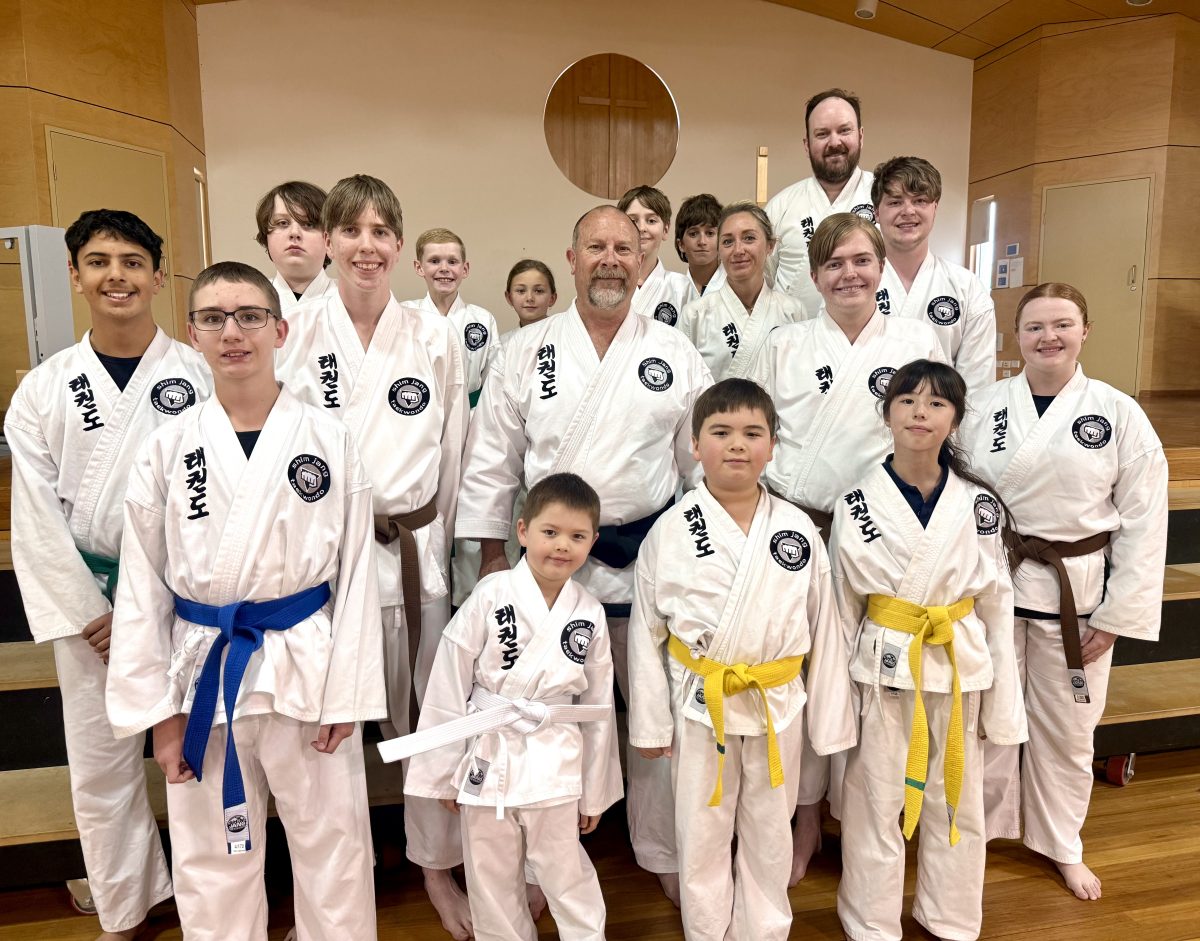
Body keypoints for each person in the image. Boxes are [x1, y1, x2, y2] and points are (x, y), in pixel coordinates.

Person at [104, 261, 384, 941]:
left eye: (250, 316)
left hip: (308, 671)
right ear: (192, 334)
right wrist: (160, 717)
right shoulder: (166, 449)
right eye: (213, 318)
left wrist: (347, 695)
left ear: (280, 328)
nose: (234, 332)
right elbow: (141, 589)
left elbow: (355, 579)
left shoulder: (330, 439)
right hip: (202, 675)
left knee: (335, 850)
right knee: (212, 856)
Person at [456, 205, 713, 904]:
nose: (609, 258)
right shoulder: (526, 349)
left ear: (642, 260)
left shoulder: (674, 351)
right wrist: (490, 558)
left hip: (646, 557)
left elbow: (698, 466)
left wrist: (697, 560)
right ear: (570, 258)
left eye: (622, 248)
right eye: (595, 246)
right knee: (538, 711)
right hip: (548, 563)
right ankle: (541, 863)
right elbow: (491, 463)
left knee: (652, 714)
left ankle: (660, 845)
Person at [274, 175, 472, 937]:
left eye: (380, 231)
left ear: (399, 245)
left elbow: (454, 453)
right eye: (349, 230)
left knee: (431, 714)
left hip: (413, 550)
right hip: (321, 564)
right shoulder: (293, 331)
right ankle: (332, 897)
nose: (365, 245)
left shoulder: (432, 335)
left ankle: (435, 865)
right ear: (326, 240)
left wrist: (443, 541)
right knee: (327, 732)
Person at [5, 209, 210, 941]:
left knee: (199, 752)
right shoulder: (44, 390)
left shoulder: (199, 372)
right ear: (75, 275)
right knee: (100, 762)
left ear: (159, 276)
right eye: (98, 261)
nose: (115, 275)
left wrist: (150, 598)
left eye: (131, 261)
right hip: (88, 606)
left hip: (186, 594)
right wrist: (98, 605)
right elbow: (34, 512)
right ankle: (125, 903)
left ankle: (207, 893)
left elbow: (217, 498)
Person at [749, 211, 944, 882]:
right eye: (834, 263)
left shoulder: (919, 339)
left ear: (881, 265)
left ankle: (862, 811)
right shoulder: (785, 344)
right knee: (801, 673)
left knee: (871, 679)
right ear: (815, 275)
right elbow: (755, 430)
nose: (849, 273)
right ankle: (804, 817)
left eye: (861, 259)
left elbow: (939, 433)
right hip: (800, 527)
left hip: (883, 532)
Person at [961, 283, 1168, 901]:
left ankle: (1062, 844)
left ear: (1086, 331)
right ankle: (983, 831)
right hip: (995, 584)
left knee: (1070, 727)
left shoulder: (1119, 413)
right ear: (1016, 337)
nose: (1048, 337)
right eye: (1034, 327)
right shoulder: (985, 407)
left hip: (1075, 594)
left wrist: (1119, 612)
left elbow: (1144, 519)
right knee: (985, 719)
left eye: (1062, 325)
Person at [628, 378, 855, 940]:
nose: (737, 445)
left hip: (778, 702)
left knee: (770, 828)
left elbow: (825, 627)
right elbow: (646, 633)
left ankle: (764, 928)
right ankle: (706, 929)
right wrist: (652, 721)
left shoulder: (797, 529)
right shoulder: (670, 531)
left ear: (773, 446)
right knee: (702, 829)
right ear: (695, 446)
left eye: (753, 433)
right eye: (721, 432)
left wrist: (829, 720)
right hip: (703, 705)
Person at [833, 359, 1026, 941]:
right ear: (887, 414)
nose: (921, 412)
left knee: (957, 800)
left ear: (957, 420)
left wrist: (1003, 703)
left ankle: (951, 916)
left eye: (937, 403)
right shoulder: (855, 502)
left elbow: (997, 600)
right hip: (882, 666)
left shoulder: (977, 503)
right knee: (874, 801)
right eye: (908, 401)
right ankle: (870, 921)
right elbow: (841, 609)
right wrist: (834, 704)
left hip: (957, 661)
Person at [385, 473, 622, 941]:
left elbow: (597, 708)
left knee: (564, 869)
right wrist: (443, 772)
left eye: (576, 536)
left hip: (556, 758)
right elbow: (448, 686)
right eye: (549, 532)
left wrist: (595, 789)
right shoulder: (489, 596)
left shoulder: (588, 611)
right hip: (487, 756)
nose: (561, 546)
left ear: (592, 542)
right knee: (489, 875)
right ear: (522, 532)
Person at [872, 156, 996, 396]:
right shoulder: (855, 284)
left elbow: (978, 385)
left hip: (938, 428)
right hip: (865, 425)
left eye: (920, 200)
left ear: (935, 208)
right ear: (877, 212)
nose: (908, 211)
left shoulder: (966, 288)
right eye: (895, 202)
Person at [766, 88, 875, 314]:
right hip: (795, 341)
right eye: (822, 134)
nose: (835, 142)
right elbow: (759, 283)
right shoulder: (780, 207)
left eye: (844, 130)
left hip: (870, 342)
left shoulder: (885, 198)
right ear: (807, 145)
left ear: (861, 136)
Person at [677, 202, 806, 380]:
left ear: (770, 245)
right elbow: (685, 385)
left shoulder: (793, 311)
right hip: (715, 408)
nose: (738, 250)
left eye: (749, 238)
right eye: (728, 241)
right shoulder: (694, 315)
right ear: (719, 250)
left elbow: (800, 380)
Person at [405, 227, 499, 409]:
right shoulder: (404, 315)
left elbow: (495, 381)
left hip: (471, 417)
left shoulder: (482, 320)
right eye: (434, 261)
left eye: (452, 262)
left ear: (465, 269)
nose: (444, 269)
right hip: (416, 415)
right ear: (419, 267)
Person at [253, 181, 335, 313]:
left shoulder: (352, 301)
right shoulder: (249, 300)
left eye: (308, 224)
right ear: (266, 238)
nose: (294, 233)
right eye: (283, 223)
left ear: (329, 240)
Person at [618, 184, 693, 326]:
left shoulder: (681, 287)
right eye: (633, 220)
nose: (641, 228)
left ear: (665, 230)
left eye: (651, 220)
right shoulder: (608, 281)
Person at [674, 193, 726, 300]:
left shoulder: (737, 286)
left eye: (710, 233)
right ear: (681, 244)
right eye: (693, 234)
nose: (702, 241)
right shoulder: (672, 290)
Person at [503, 258, 558, 331]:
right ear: (509, 298)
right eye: (521, 291)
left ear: (552, 298)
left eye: (538, 291)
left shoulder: (566, 336)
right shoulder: (504, 341)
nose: (529, 298)